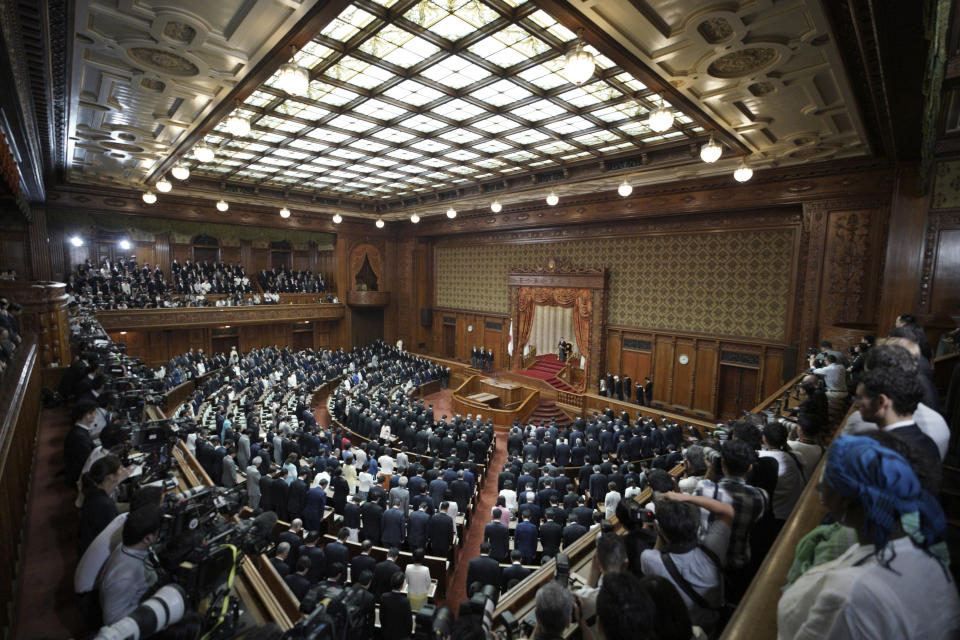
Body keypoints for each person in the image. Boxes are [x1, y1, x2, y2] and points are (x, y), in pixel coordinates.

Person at [778, 435, 960, 639]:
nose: (818, 488)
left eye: (825, 479)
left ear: (843, 498)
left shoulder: (849, 596)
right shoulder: (930, 559)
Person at [642, 491, 733, 631]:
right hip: (718, 620)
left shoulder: (650, 559)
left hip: (686, 628)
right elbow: (727, 511)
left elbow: (656, 550)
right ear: (695, 525)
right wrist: (685, 497)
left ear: (661, 530)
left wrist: (661, 531)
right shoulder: (713, 549)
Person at [98, 506, 160, 625]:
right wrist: (151, 606)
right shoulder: (124, 578)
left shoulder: (127, 545)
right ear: (147, 539)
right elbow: (112, 621)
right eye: (157, 533)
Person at [79, 455, 127, 551]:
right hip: (99, 550)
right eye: (120, 471)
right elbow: (115, 538)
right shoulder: (105, 505)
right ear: (109, 478)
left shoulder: (93, 490)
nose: (123, 472)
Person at [380, 572, 413, 640]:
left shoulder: (384, 597)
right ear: (402, 586)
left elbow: (381, 616)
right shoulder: (406, 601)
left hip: (387, 633)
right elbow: (409, 622)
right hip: (401, 635)